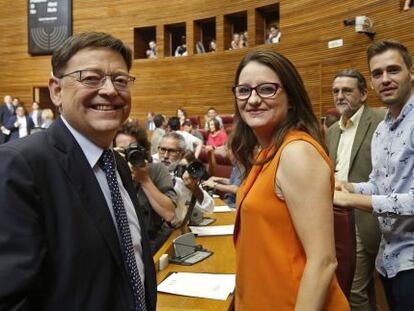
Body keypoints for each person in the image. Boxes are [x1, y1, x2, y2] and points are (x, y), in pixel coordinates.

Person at [0, 32, 157, 310]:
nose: (110, 90)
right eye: (91, 78)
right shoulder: (21, 165)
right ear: (56, 91)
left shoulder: (117, 164)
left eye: (120, 80)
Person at [230, 50, 349, 310]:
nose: (253, 99)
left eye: (266, 89)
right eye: (244, 90)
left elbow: (323, 261)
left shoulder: (296, 153)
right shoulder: (268, 152)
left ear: (291, 97)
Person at [334, 40, 414, 311]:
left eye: (393, 70)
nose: (385, 79)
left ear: (411, 72)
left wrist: (352, 201)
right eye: (377, 73)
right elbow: (379, 185)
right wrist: (349, 187)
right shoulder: (383, 130)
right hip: (389, 257)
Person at [328, 69, 384, 308]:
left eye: (347, 90)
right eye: (336, 91)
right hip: (336, 217)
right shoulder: (331, 131)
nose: (340, 96)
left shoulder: (381, 121)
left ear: (363, 94)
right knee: (350, 288)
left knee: (353, 292)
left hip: (365, 219)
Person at [114, 121, 177, 254]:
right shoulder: (108, 174)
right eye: (122, 151)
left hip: (151, 244)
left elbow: (169, 214)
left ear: (144, 151)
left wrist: (144, 179)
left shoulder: (156, 170)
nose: (127, 155)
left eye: (131, 149)